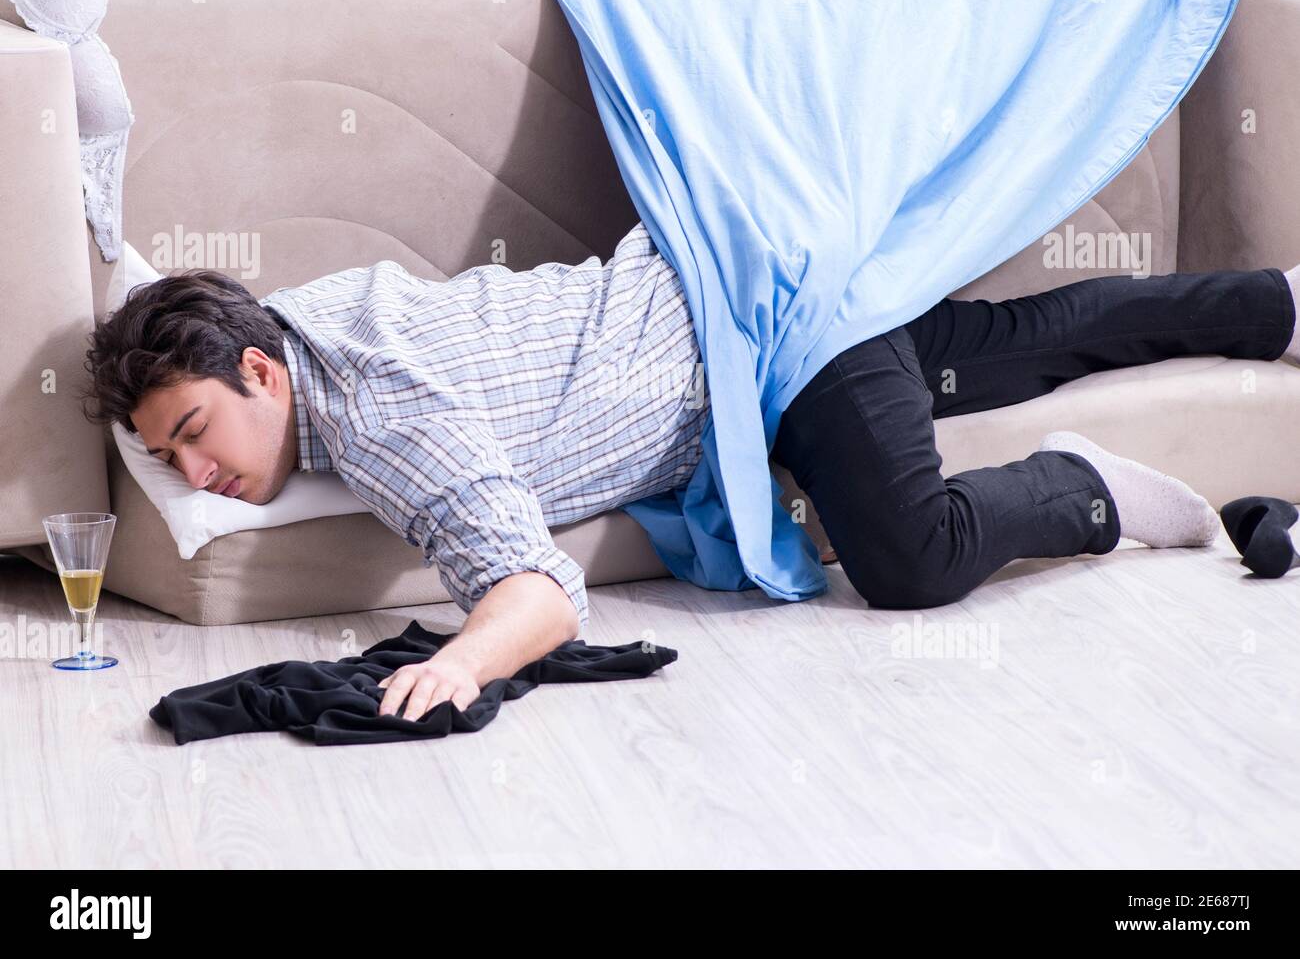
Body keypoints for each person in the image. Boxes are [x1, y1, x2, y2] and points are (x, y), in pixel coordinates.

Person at [79, 222, 1300, 719]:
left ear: (262, 369)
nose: (195, 469)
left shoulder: (382, 413)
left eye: (195, 430)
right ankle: (1272, 305)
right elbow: (114, 240)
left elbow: (544, 593)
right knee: (1003, 344)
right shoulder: (291, 319)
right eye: (164, 454)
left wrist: (455, 666)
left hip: (764, 345)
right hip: (736, 282)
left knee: (910, 557)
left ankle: (1081, 488)